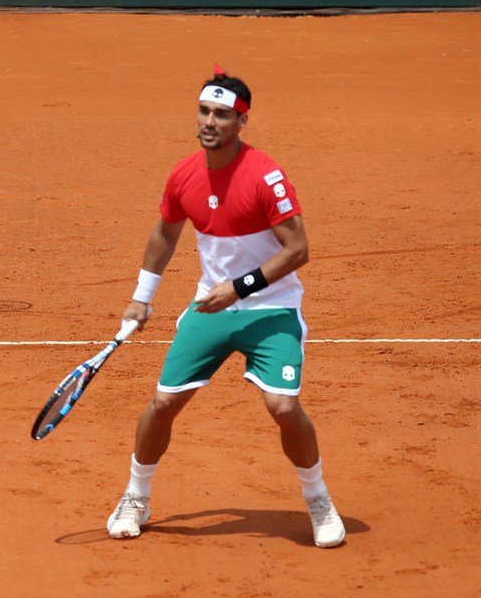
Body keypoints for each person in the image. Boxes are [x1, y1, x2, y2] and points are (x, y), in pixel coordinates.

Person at [106, 69, 346, 549]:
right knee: (163, 403)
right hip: (211, 308)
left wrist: (240, 287)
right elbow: (165, 234)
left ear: (242, 121)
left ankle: (319, 500)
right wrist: (142, 295)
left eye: (221, 114)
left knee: (282, 405)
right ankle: (136, 495)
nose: (209, 121)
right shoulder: (183, 174)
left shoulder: (266, 176)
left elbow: (297, 249)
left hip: (270, 307)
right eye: (204, 111)